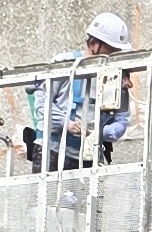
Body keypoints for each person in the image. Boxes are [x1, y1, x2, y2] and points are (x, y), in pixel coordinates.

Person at [25, 10, 136, 173]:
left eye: (117, 52)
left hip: (87, 157)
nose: (114, 57)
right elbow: (42, 105)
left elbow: (121, 122)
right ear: (93, 44)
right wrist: (67, 124)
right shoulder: (65, 65)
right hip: (52, 151)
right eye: (111, 50)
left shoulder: (117, 78)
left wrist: (96, 132)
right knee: (48, 190)